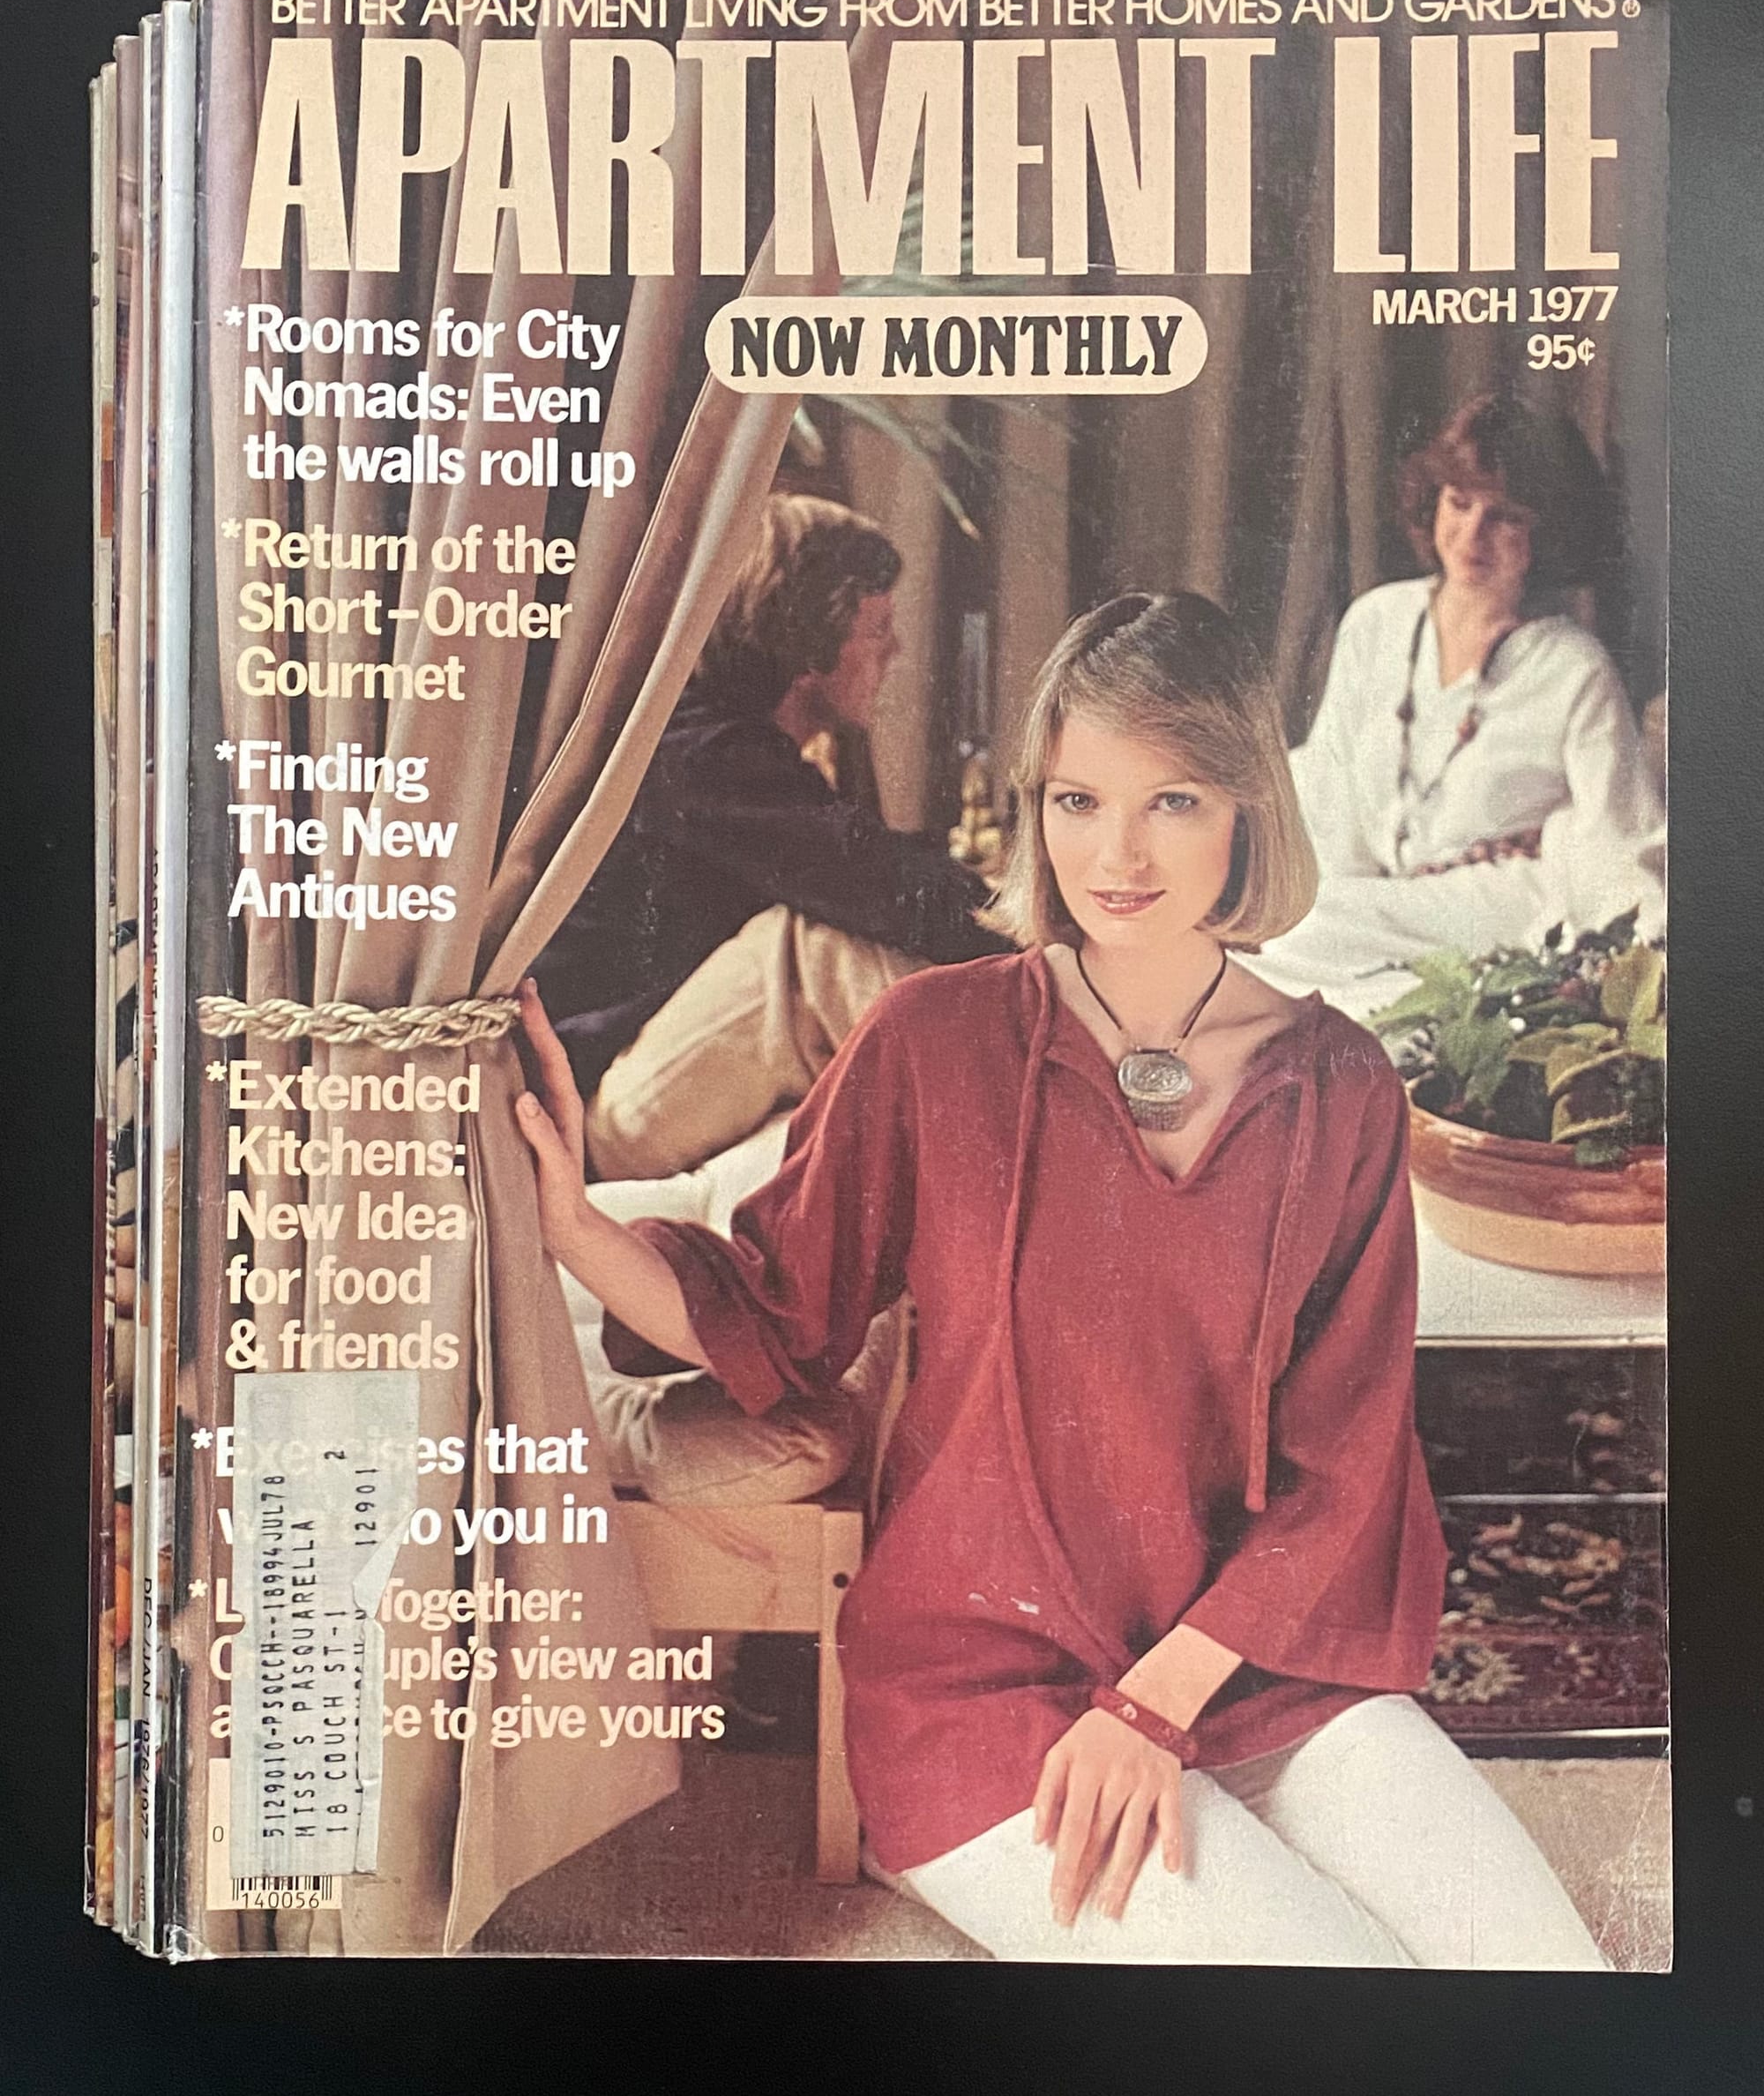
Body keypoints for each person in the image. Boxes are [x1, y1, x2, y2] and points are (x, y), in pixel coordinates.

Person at [515, 592, 1607, 1967]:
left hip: (1251, 1667)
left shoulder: (1343, 1088)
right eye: (1079, 799)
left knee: (1553, 1980)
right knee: (1342, 1995)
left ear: (1249, 815)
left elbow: (1349, 1464)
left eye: (1175, 802)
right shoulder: (932, 1039)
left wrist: (1159, 1706)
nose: (1117, 854)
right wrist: (569, 1221)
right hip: (988, 1691)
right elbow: (774, 1310)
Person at [529, 492, 1009, 1176]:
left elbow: (885, 871)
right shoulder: (702, 756)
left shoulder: (731, 749)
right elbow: (882, 883)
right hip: (598, 1107)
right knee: (809, 950)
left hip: (641, 1078)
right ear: (814, 640)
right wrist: (1050, 927)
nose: (895, 650)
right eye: (878, 629)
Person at [1253, 394, 1664, 1009]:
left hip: (1503, 906)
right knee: (1277, 919)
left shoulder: (1572, 667)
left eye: (1505, 517)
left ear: (1544, 532)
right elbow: (1331, 776)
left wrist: (1645, 966)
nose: (1472, 534)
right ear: (1433, 502)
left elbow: (1623, 835)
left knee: (1300, 930)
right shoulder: (1377, 622)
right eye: (1460, 502)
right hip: (1376, 902)